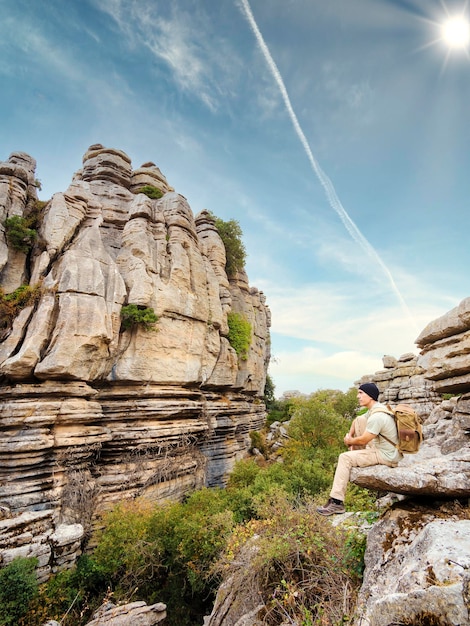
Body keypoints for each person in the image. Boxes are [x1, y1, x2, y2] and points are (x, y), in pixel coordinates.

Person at [316, 382, 402, 515]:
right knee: (360, 420)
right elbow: (358, 420)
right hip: (390, 450)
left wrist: (350, 441)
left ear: (371, 396)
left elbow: (364, 440)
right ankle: (357, 457)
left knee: (344, 457)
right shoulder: (377, 408)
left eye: (361, 393)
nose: (358, 396)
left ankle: (337, 502)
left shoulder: (377, 417)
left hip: (386, 456)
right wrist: (350, 434)